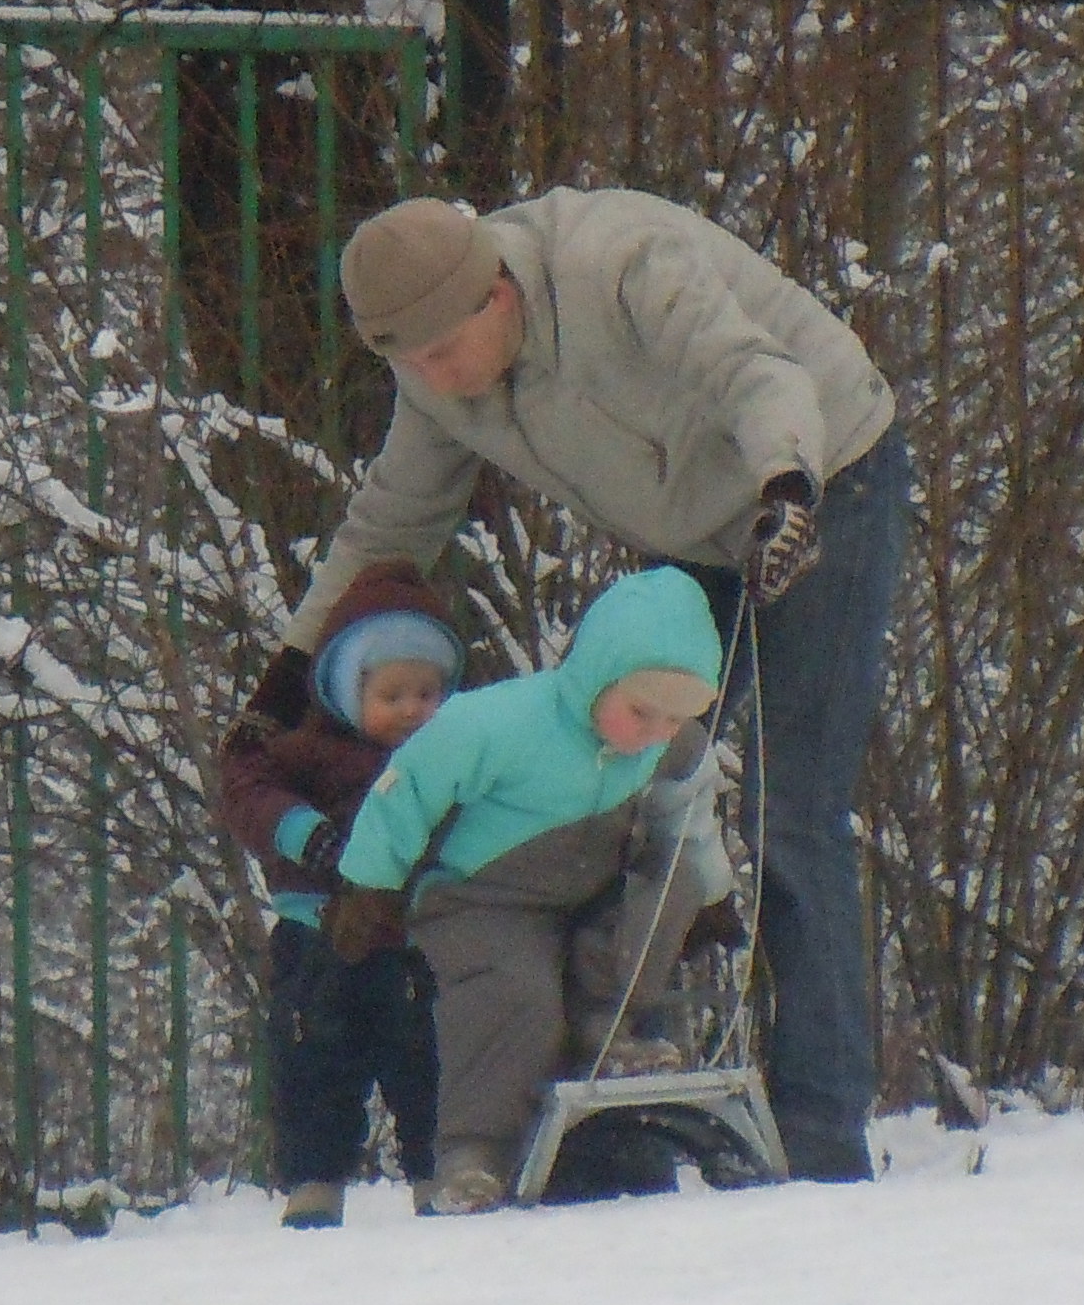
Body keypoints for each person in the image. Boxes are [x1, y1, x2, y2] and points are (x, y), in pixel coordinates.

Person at [263, 189, 907, 1181]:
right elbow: (391, 525)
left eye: (441, 354)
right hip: (690, 536)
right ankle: (620, 1123)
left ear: (496, 294)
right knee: (605, 790)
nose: (432, 382)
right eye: (408, 366)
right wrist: (285, 683)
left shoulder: (619, 266)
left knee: (790, 804)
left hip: (820, 476)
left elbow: (758, 373)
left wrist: (788, 486)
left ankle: (821, 1134)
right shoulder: (437, 375)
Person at [321, 566, 725, 1215]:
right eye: (641, 711)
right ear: (597, 677)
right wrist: (369, 884)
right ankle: (474, 1155)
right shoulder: (501, 724)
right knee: (517, 998)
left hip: (588, 893)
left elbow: (689, 816)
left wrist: (712, 895)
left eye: (674, 718)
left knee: (670, 883)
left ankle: (605, 1029)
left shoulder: (669, 745)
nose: (655, 731)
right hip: (482, 900)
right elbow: (407, 788)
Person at [213, 563, 459, 1231]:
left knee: (429, 1056)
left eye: (427, 693)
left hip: (414, 934)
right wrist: (307, 836)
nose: (411, 710)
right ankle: (314, 1182)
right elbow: (250, 795)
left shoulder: (449, 758)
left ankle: (438, 1172)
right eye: (392, 695)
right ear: (349, 691)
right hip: (318, 930)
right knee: (313, 1058)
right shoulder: (306, 752)